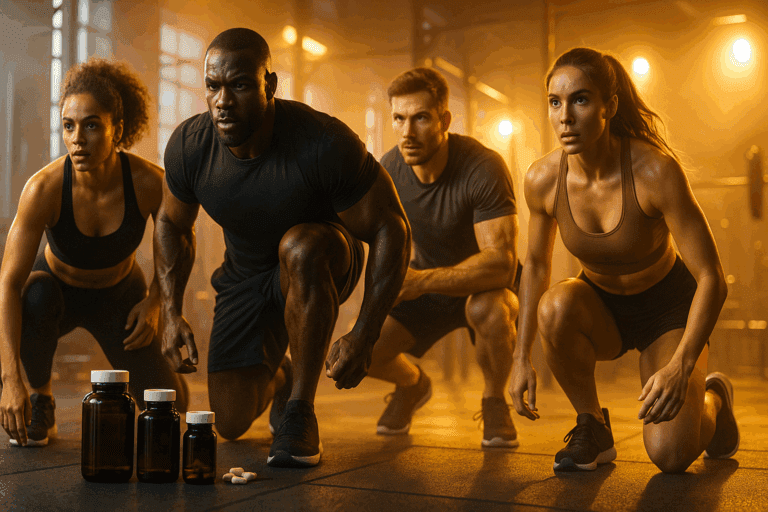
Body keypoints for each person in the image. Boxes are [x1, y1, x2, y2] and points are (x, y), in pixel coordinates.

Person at [155, 28, 410, 468]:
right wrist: (170, 311)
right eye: (213, 86)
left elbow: (392, 229)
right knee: (230, 422)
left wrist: (365, 334)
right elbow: (170, 224)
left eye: (238, 85)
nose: (222, 100)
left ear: (268, 85)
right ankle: (282, 374)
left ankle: (300, 410)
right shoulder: (190, 146)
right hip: (246, 277)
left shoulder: (322, 141)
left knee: (299, 245)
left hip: (323, 258)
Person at [509, 47, 739, 473]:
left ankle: (714, 398)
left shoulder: (655, 171)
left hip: (668, 308)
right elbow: (536, 267)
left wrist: (682, 364)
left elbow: (711, 277)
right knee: (554, 306)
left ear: (608, 106)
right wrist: (521, 357)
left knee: (670, 456)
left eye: (580, 99)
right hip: (603, 307)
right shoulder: (542, 179)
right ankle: (592, 428)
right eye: (555, 102)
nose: (564, 116)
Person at [0, 59, 189, 447]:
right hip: (55, 293)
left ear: (117, 130)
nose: (77, 139)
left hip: (119, 297)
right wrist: (10, 380)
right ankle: (42, 399)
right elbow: (7, 285)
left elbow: (182, 242)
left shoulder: (149, 182)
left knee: (174, 406)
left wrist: (155, 301)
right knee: (34, 294)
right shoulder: (44, 189)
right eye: (69, 125)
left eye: (91, 125)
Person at [361, 67, 521, 447]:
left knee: (493, 312)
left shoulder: (482, 167)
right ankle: (413, 385)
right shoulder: (390, 170)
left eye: (420, 118)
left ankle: (495, 401)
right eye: (399, 118)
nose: (407, 131)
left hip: (482, 287)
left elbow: (501, 263)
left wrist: (419, 282)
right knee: (361, 349)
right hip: (426, 288)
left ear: (444, 120)